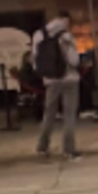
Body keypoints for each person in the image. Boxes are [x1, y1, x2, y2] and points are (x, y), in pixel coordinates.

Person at [32, 11, 83, 159]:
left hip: (51, 80)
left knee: (49, 113)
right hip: (69, 79)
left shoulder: (39, 34)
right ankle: (68, 148)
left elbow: (35, 59)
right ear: (66, 20)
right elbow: (74, 60)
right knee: (69, 114)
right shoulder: (65, 36)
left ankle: (42, 146)